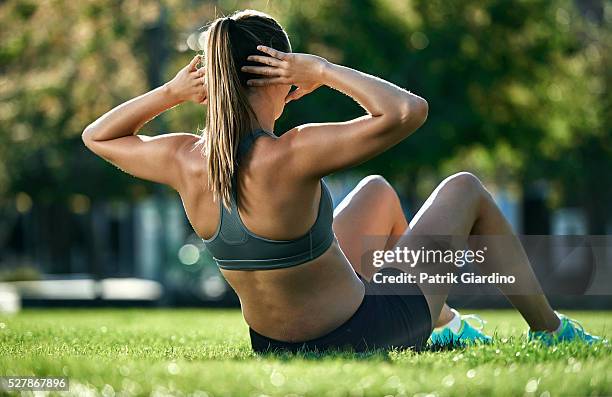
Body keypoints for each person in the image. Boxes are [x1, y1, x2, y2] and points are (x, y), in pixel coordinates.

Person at [82, 9, 602, 352]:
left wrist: (172, 92)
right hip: (361, 333)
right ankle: (551, 332)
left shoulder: (186, 158)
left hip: (274, 344)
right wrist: (325, 70)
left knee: (376, 191)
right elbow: (406, 111)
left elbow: (98, 138)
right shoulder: (292, 152)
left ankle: (444, 324)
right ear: (283, 77)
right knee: (465, 187)